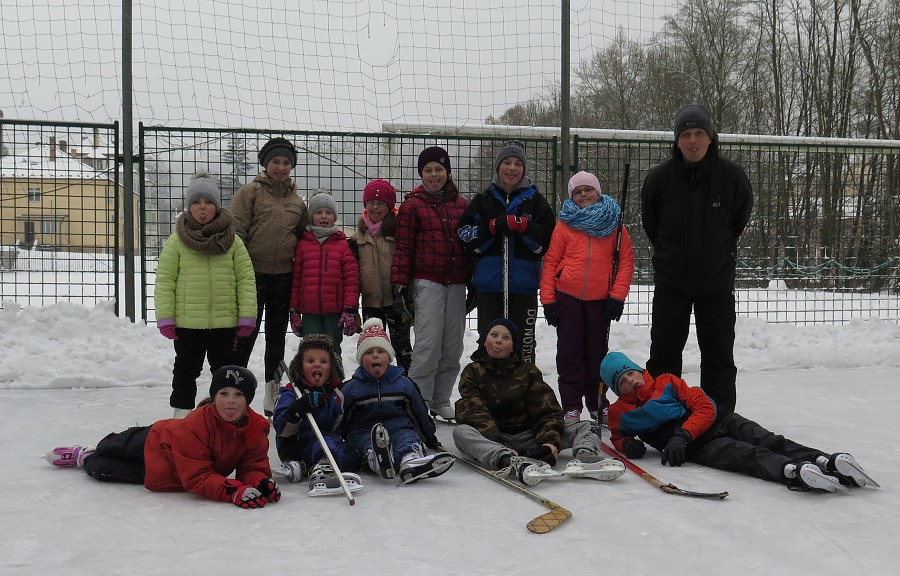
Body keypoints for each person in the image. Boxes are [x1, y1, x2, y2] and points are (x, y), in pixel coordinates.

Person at [600, 352, 879, 492]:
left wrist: (683, 434)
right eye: (622, 383)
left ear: (640, 370)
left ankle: (825, 461)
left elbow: (705, 406)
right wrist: (627, 445)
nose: (631, 382)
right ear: (617, 390)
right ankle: (793, 471)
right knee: (746, 456)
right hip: (699, 447)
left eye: (631, 374)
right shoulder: (620, 413)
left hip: (719, 421)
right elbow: (616, 436)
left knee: (768, 440)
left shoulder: (667, 382)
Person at [640, 104, 753, 414]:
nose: (693, 140)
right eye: (686, 134)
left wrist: (718, 251)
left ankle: (718, 417)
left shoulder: (732, 177)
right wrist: (670, 254)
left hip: (715, 284)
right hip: (671, 283)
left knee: (718, 354)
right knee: (663, 354)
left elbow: (739, 220)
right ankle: (661, 413)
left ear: (710, 137)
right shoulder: (659, 179)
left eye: (699, 133)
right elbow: (652, 225)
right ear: (677, 141)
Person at [45, 366, 282, 508]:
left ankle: (81, 457)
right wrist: (232, 491)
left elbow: (252, 467)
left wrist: (258, 482)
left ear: (248, 400)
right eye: (224, 393)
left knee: (101, 467)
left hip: (163, 470)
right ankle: (90, 447)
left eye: (238, 394)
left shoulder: (255, 429)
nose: (230, 400)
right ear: (214, 396)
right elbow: (200, 476)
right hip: (156, 437)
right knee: (108, 445)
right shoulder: (196, 423)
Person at [452, 318, 625, 486]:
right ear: (484, 341)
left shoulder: (528, 372)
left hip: (530, 435)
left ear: (513, 347)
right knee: (461, 432)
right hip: (495, 438)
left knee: (587, 425)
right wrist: (498, 442)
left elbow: (547, 410)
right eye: (494, 335)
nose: (498, 341)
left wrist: (549, 442)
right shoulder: (472, 371)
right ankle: (506, 460)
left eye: (506, 338)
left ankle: (585, 457)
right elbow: (474, 411)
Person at [155, 170, 257, 418]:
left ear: (217, 206)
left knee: (225, 372)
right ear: (189, 207)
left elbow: (245, 279)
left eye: (208, 202)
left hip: (224, 322)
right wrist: (166, 316)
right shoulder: (177, 241)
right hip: (188, 324)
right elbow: (165, 280)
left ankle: (223, 415)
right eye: (196, 203)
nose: (203, 208)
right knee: (185, 370)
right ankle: (181, 415)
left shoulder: (232, 241)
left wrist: (247, 315)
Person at [539, 171, 634, 424]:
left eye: (588, 190)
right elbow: (550, 263)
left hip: (600, 301)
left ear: (598, 192)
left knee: (597, 354)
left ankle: (598, 402)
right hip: (568, 298)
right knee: (569, 354)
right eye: (577, 191)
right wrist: (548, 299)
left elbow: (625, 262)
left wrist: (617, 296)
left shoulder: (614, 223)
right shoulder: (565, 225)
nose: (583, 195)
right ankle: (571, 406)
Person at [390, 146, 471, 422]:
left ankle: (440, 398)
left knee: (453, 345)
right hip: (428, 282)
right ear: (421, 174)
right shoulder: (414, 204)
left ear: (447, 172)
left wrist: (473, 282)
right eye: (428, 170)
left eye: (439, 169)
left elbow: (470, 246)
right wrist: (399, 284)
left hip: (457, 282)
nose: (434, 175)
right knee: (428, 343)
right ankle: (418, 399)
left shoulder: (462, 205)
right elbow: (404, 248)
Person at [457, 141, 555, 364]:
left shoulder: (536, 202)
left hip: (524, 286)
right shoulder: (483, 200)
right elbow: (464, 234)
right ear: (498, 167)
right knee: (490, 343)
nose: (512, 168)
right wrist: (489, 228)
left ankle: (524, 391)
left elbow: (548, 238)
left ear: (524, 169)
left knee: (524, 344)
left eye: (518, 163)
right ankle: (485, 392)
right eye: (507, 162)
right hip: (489, 286)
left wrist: (524, 226)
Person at [231, 137, 308, 417]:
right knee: (245, 334)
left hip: (283, 278)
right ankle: (236, 388)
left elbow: (302, 237)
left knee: (276, 336)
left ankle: (272, 388)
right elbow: (237, 233)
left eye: (286, 162)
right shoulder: (249, 193)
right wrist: (237, 273)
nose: (281, 167)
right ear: (265, 163)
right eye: (276, 161)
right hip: (252, 276)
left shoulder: (298, 201)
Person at [340, 318, 455, 484]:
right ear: (360, 359)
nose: (375, 356)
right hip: (365, 431)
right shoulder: (352, 389)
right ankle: (377, 459)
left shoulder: (403, 384)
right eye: (368, 353)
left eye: (381, 351)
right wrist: (337, 441)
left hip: (398, 428)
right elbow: (342, 419)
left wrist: (429, 437)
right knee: (366, 443)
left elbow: (418, 413)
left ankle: (410, 461)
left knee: (407, 437)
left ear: (389, 356)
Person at [272, 334, 363, 497]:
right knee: (327, 445)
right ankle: (322, 472)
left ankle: (305, 466)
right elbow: (281, 429)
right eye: (310, 361)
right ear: (300, 366)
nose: (317, 365)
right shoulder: (291, 392)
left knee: (353, 455)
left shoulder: (336, 396)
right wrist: (297, 409)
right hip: (294, 444)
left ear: (332, 367)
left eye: (323, 361)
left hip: (325, 442)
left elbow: (337, 428)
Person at [348, 179, 413, 373]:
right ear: (365, 205)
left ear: (389, 206)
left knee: (402, 349)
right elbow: (353, 275)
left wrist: (409, 300)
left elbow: (407, 267)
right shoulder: (356, 238)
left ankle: (405, 382)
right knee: (372, 349)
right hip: (371, 303)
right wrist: (353, 308)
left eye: (381, 203)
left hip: (396, 302)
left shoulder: (399, 233)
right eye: (371, 202)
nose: (375, 207)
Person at [289, 188, 360, 351]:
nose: (323, 216)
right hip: (309, 311)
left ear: (334, 216)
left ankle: (334, 376)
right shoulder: (303, 245)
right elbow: (296, 280)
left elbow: (352, 280)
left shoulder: (343, 246)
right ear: (311, 216)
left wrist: (350, 308)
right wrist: (294, 309)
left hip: (334, 311)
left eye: (328, 212)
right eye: (318, 212)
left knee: (333, 348)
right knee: (311, 348)